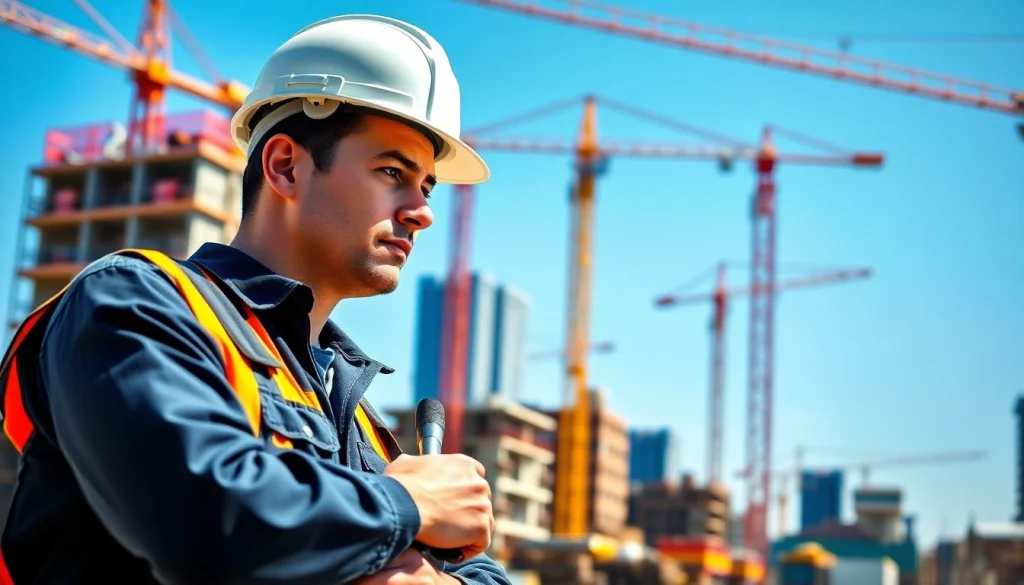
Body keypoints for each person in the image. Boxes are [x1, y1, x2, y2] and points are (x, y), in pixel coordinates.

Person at [0, 14, 512, 585]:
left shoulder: (357, 419)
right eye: (391, 171)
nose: (422, 211)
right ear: (285, 166)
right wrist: (404, 505)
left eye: (425, 185)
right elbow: (204, 524)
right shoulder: (134, 304)